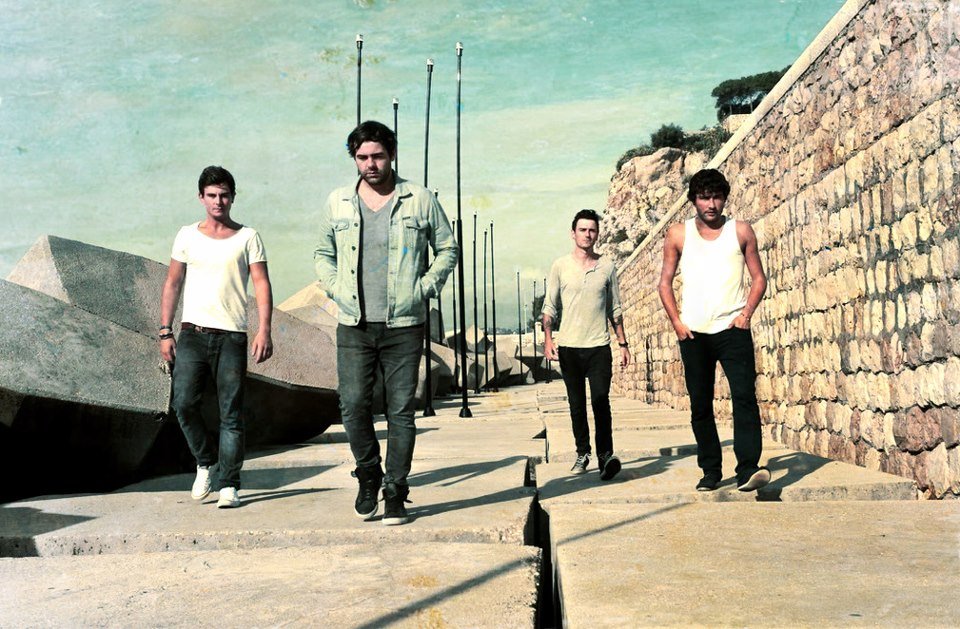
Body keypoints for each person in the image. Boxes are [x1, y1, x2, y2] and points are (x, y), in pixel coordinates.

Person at [315, 120, 458, 525]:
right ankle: (368, 473)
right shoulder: (339, 202)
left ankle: (395, 489)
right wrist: (336, 289)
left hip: (404, 324)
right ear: (354, 159)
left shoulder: (419, 199)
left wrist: (423, 288)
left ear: (392, 154)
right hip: (354, 323)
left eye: (377, 156)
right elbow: (322, 253)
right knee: (352, 405)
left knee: (400, 411)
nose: (370, 164)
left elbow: (447, 249)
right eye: (362, 157)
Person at [159, 166, 273, 508]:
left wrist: (264, 329)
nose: (218, 201)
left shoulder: (248, 237)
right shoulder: (186, 235)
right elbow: (173, 283)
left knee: (231, 414)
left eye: (224, 195)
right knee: (183, 404)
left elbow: (261, 284)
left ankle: (229, 485)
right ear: (201, 197)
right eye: (211, 195)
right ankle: (205, 462)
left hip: (232, 336)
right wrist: (165, 331)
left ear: (233, 197)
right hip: (192, 334)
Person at [658, 168, 770, 492]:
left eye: (717, 197)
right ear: (694, 200)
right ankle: (710, 471)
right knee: (700, 405)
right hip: (693, 334)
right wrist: (677, 322)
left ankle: (747, 469)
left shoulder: (740, 231)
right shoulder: (678, 234)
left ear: (724, 198)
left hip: (733, 330)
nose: (711, 204)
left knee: (744, 398)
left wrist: (746, 315)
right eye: (704, 197)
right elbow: (664, 283)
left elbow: (759, 279)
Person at [543, 209, 630, 481]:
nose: (587, 234)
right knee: (577, 405)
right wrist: (548, 339)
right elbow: (550, 306)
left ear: (597, 234)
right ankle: (583, 452)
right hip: (569, 347)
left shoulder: (607, 266)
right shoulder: (560, 266)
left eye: (592, 230)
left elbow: (615, 308)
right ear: (573, 233)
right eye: (582, 230)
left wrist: (623, 343)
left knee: (601, 401)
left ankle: (606, 456)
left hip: (598, 347)